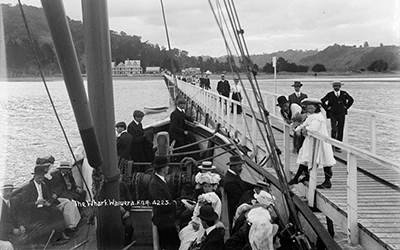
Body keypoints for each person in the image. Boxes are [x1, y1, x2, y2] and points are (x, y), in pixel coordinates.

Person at [291, 98, 336, 189]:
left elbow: (313, 128)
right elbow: (304, 124)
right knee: (306, 158)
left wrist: (305, 129)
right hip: (312, 141)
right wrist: (297, 129)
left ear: (316, 108)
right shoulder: (310, 116)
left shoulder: (318, 117)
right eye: (308, 108)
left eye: (312, 108)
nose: (310, 110)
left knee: (325, 160)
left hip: (320, 141)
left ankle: (327, 181)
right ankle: (299, 177)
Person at [20, 165, 70, 245]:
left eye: (42, 178)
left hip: (44, 207)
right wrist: (36, 203)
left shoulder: (44, 185)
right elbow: (24, 205)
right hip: (34, 211)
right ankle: (55, 240)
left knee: (56, 211)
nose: (41, 180)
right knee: (48, 216)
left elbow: (49, 197)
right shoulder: (27, 188)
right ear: (34, 176)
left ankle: (62, 233)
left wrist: (48, 202)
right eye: (39, 178)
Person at [148, 156, 179, 250]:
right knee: (170, 245)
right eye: (166, 166)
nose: (168, 168)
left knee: (174, 244)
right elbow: (161, 204)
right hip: (164, 222)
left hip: (168, 219)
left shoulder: (161, 180)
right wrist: (174, 204)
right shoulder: (155, 185)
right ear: (162, 169)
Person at [321, 81, 354, 152]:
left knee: (340, 129)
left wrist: (346, 107)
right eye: (335, 86)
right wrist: (327, 108)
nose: (336, 87)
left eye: (338, 86)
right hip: (333, 113)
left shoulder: (344, 93)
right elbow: (322, 101)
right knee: (334, 128)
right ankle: (333, 143)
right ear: (333, 87)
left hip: (341, 113)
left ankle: (338, 146)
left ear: (340, 86)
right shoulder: (330, 94)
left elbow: (351, 100)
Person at [50, 161, 83, 231]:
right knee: (73, 200)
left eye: (67, 169)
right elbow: (60, 188)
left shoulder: (69, 175)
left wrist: (77, 187)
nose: (67, 170)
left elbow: (73, 183)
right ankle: (72, 223)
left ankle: (80, 214)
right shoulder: (57, 177)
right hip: (64, 192)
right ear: (61, 169)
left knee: (83, 193)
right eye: (65, 169)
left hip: (71, 190)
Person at [224, 155, 254, 230]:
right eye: (239, 166)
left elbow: (243, 184)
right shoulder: (230, 181)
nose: (241, 169)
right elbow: (239, 198)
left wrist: (255, 187)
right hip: (235, 209)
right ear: (232, 167)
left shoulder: (234, 176)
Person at [0, 182, 25, 249]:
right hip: (3, 232)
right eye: (6, 191)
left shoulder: (14, 201)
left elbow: (19, 215)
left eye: (10, 191)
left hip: (15, 230)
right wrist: (12, 229)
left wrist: (21, 225)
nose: (9, 193)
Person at [119, 175, 134, 246]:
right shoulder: (108, 187)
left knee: (129, 226)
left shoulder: (123, 186)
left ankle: (126, 245)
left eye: (121, 178)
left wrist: (128, 211)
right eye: (119, 178)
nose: (120, 179)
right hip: (112, 213)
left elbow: (129, 199)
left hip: (124, 213)